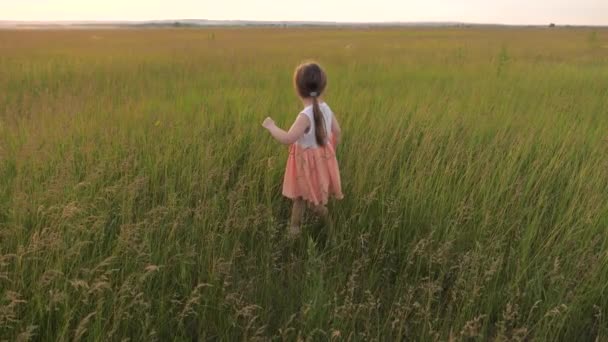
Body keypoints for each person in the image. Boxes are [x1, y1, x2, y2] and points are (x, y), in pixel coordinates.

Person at [262, 61, 344, 237]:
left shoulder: (304, 116)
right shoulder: (325, 108)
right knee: (299, 195)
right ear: (322, 86)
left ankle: (329, 227)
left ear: (298, 90)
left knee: (313, 202)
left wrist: (271, 127)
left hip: (306, 163)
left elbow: (288, 138)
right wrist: (329, 152)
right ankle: (294, 228)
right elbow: (336, 131)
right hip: (320, 160)